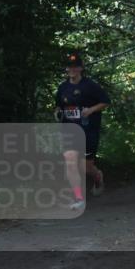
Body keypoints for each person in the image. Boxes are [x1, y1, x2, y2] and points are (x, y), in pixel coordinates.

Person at [56, 52, 110, 210]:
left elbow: (106, 101)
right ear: (67, 69)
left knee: (86, 167)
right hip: (69, 130)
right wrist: (58, 112)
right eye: (69, 67)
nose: (72, 69)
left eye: (75, 66)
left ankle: (97, 175)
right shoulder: (63, 87)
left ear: (81, 68)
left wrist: (91, 109)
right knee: (70, 160)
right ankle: (78, 198)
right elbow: (58, 106)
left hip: (88, 130)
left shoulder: (90, 85)